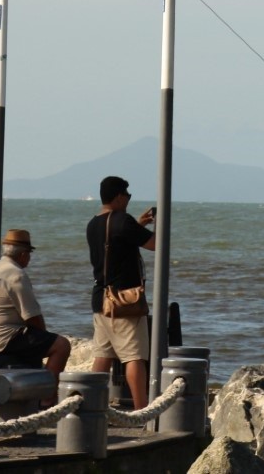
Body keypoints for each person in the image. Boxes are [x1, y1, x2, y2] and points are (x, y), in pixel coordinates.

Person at [86, 175, 155, 410]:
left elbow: (115, 243)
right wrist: (160, 224)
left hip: (100, 299)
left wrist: (139, 225)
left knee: (103, 355)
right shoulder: (123, 221)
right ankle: (141, 410)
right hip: (124, 301)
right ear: (118, 196)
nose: (128, 199)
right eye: (127, 195)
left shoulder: (94, 223)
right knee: (135, 356)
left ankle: (91, 405)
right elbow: (156, 244)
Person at [0, 229, 70, 385]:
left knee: (38, 342)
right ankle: (48, 396)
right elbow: (32, 317)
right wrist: (45, 339)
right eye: (29, 254)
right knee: (61, 345)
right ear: (23, 254)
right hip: (6, 339)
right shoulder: (16, 275)